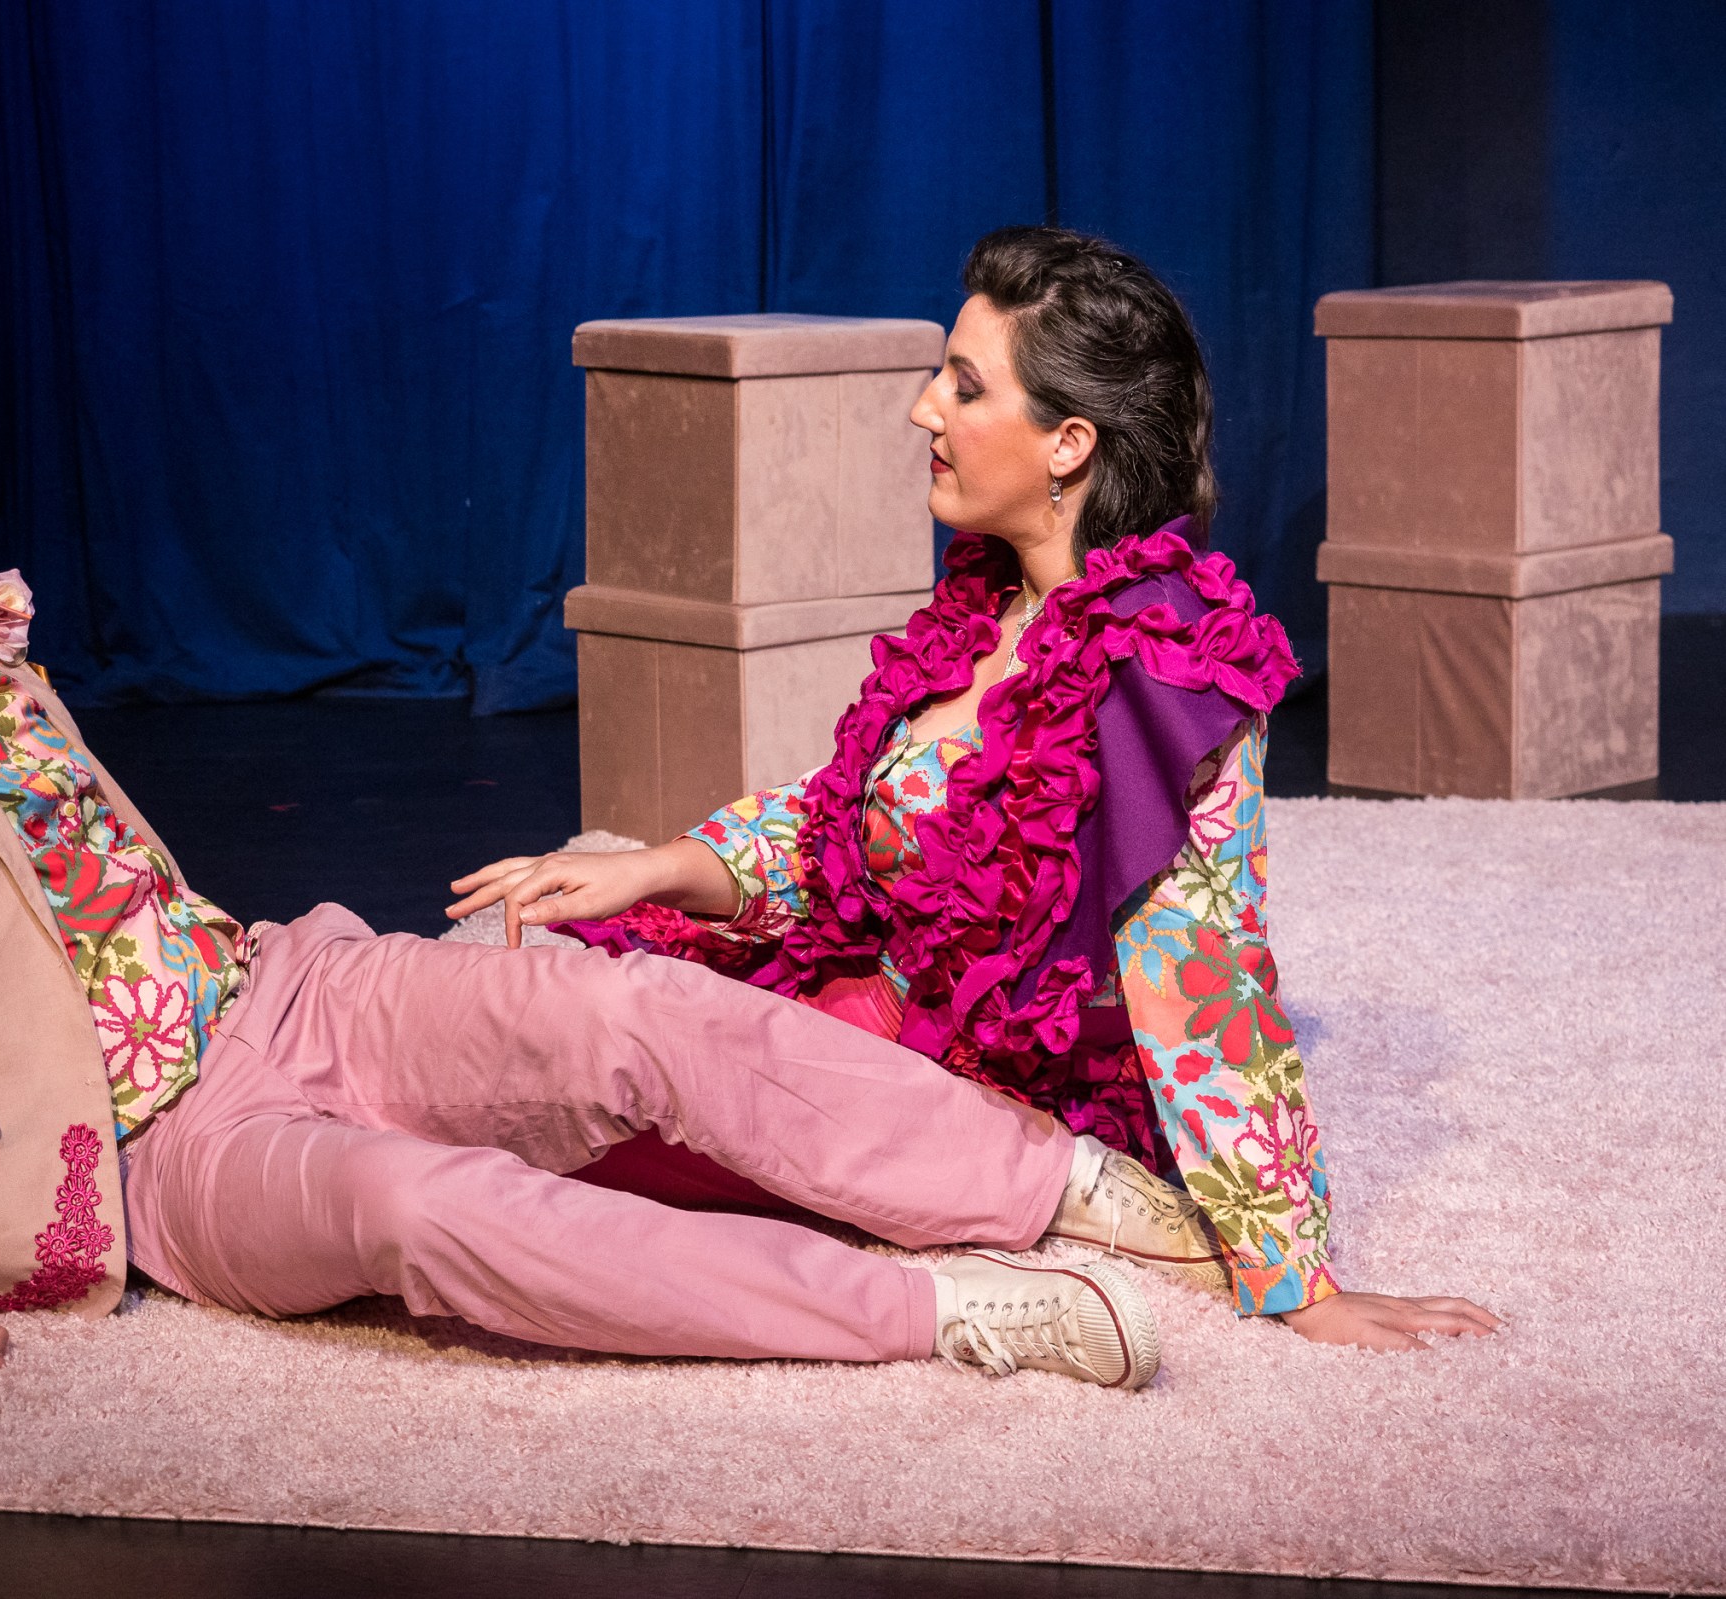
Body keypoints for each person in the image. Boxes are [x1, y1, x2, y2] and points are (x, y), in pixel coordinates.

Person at [0, 357, 1297, 1432]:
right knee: (425, 1211)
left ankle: (1063, 1185)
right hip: (145, 1140)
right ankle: (935, 1305)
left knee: (625, 1004)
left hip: (274, 984)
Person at [449, 227, 1500, 1353]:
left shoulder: (1160, 671)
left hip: (941, 1094)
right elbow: (841, 825)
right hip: (854, 1011)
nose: (923, 411)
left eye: (963, 386)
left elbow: (1204, 971)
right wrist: (651, 868)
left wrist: (1298, 1280)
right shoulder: (989, 605)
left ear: (1069, 443)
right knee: (518, 1013)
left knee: (542, 1118)